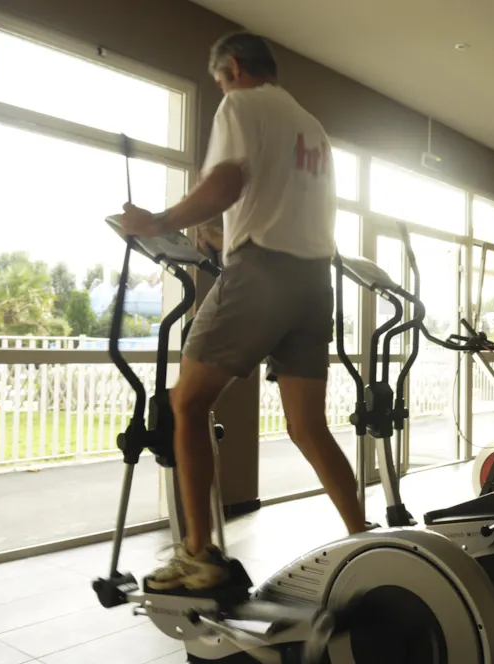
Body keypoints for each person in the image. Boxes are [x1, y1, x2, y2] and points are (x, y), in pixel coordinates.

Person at [118, 31, 365, 594]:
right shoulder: (313, 129)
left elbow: (226, 183)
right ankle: (363, 536)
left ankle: (198, 555)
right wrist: (221, 239)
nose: (222, 89)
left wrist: (156, 222)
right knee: (307, 425)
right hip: (312, 279)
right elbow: (276, 202)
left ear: (231, 68)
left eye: (220, 80)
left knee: (187, 401)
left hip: (263, 274)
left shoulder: (242, 103)